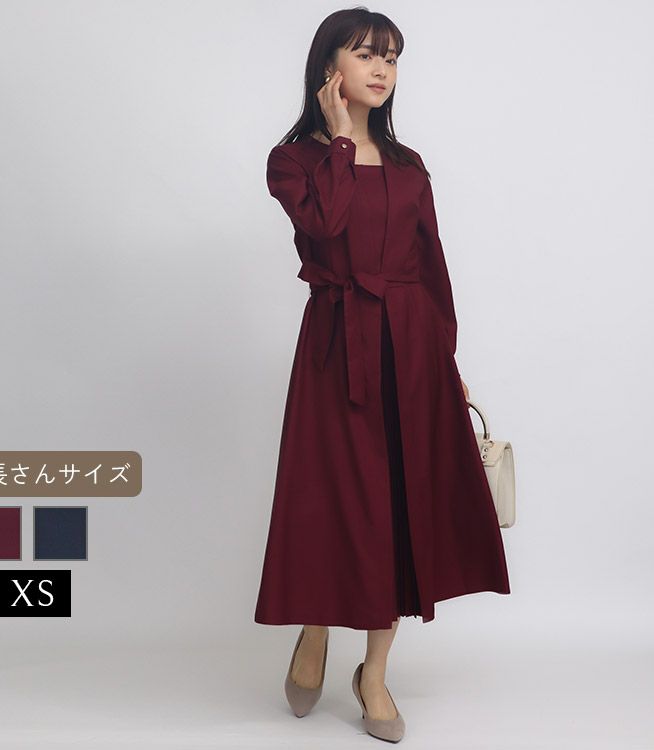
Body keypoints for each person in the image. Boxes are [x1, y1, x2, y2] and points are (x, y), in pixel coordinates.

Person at [254, 8, 510, 743]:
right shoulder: (293, 160)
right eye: (365, 54)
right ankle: (314, 627)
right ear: (328, 67)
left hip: (411, 346)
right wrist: (340, 137)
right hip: (337, 344)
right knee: (334, 499)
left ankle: (374, 673)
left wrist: (447, 360)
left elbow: (431, 268)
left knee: (400, 505)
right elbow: (325, 227)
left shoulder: (408, 164)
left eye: (391, 58)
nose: (381, 70)